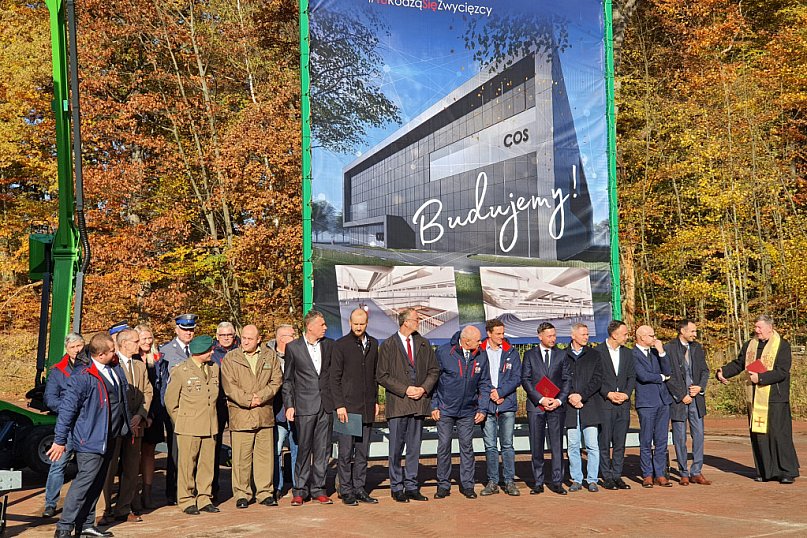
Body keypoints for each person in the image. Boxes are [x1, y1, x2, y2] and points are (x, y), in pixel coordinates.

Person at [48, 332, 131, 538]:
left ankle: (86, 524)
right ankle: (64, 528)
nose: (116, 353)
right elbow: (67, 410)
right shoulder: (83, 376)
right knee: (83, 483)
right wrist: (59, 440)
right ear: (101, 354)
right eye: (113, 350)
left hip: (110, 437)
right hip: (90, 439)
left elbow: (122, 401)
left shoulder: (114, 369)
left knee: (96, 483)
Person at [717, 315, 800, 484]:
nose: (756, 330)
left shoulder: (782, 346)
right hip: (755, 397)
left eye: (759, 327)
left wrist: (761, 378)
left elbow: (782, 371)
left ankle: (786, 471)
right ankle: (765, 471)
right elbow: (740, 363)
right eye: (755, 327)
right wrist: (723, 372)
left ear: (770, 328)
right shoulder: (750, 345)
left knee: (778, 434)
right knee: (759, 434)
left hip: (775, 397)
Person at [376, 309, 439, 503]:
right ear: (405, 322)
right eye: (416, 319)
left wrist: (423, 389)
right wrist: (405, 389)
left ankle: (411, 485)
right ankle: (396, 487)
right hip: (399, 404)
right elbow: (382, 375)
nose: (419, 322)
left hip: (419, 403)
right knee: (396, 448)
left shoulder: (423, 343)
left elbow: (434, 370)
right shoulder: (388, 345)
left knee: (413, 448)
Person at [220, 325, 283, 509]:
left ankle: (265, 492)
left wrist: (261, 397)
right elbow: (229, 386)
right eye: (243, 338)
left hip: (264, 415)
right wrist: (249, 400)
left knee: (265, 457)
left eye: (249, 338)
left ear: (259, 339)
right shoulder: (231, 358)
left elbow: (276, 380)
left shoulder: (269, 356)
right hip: (241, 415)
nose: (245, 341)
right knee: (241, 458)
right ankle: (242, 494)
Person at [164, 335, 221, 515]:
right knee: (187, 465)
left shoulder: (214, 368)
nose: (213, 352)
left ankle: (204, 497)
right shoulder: (181, 370)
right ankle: (186, 499)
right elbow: (170, 401)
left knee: (207, 464)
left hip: (210, 424)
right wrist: (181, 421)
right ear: (199, 352)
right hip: (189, 425)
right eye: (209, 350)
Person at [100, 329, 153, 523]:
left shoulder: (139, 366)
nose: (139, 344)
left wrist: (141, 415)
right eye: (135, 341)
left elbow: (148, 391)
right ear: (123, 343)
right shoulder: (111, 365)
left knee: (131, 469)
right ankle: (103, 510)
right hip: (115, 426)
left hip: (135, 426)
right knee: (108, 469)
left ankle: (123, 509)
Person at [282, 310, 334, 506]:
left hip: (325, 406)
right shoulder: (293, 348)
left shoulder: (329, 345)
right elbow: (288, 380)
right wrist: (289, 405)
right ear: (310, 326)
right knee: (303, 449)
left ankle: (319, 489)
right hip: (304, 406)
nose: (325, 327)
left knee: (323, 450)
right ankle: (300, 490)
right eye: (322, 324)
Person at [432, 326, 490, 500]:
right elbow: (433, 381)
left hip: (468, 410)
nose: (481, 343)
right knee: (444, 446)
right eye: (478, 340)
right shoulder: (443, 353)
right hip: (445, 409)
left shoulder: (481, 355)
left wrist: (482, 408)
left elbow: (485, 384)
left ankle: (467, 485)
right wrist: (434, 405)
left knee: (467, 447)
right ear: (466, 341)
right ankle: (443, 485)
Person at [330, 308, 380, 506]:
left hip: (367, 406)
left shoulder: (373, 343)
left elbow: (375, 375)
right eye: (355, 324)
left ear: (367, 323)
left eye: (362, 324)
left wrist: (375, 400)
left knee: (362, 453)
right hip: (348, 408)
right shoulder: (341, 345)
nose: (359, 327)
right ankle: (346, 489)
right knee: (345, 453)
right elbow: (334, 378)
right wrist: (339, 405)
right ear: (350, 323)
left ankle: (360, 488)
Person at [522, 322, 571, 495]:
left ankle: (557, 481)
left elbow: (567, 380)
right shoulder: (529, 355)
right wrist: (541, 399)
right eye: (549, 336)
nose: (553, 339)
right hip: (537, 406)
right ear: (540, 336)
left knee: (557, 445)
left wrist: (558, 401)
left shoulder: (562, 354)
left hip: (556, 406)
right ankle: (538, 481)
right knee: (537, 445)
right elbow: (525, 380)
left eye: (554, 335)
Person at [42, 333, 85, 519]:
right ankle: (50, 503)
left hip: (86, 424)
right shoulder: (58, 371)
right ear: (67, 349)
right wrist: (68, 407)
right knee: (58, 465)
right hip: (66, 425)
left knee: (86, 466)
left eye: (80, 346)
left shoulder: (91, 367)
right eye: (73, 347)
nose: (77, 350)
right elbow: (50, 398)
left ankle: (82, 502)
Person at [156, 313, 198, 505]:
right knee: (176, 451)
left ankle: (193, 487)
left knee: (195, 450)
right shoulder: (165, 351)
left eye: (191, 329)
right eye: (184, 329)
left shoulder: (198, 350)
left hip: (196, 409)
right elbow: (162, 382)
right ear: (176, 330)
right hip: (176, 409)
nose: (188, 333)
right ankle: (173, 491)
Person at [479, 319, 522, 497]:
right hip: (487, 403)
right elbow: (477, 376)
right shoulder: (479, 351)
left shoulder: (511, 352)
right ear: (489, 333)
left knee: (507, 444)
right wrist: (491, 393)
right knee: (490, 446)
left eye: (503, 333)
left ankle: (509, 481)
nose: (501, 337)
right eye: (498, 333)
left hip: (507, 403)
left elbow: (516, 377)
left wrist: (502, 392)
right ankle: (492, 481)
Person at [665, 319, 711, 486]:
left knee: (698, 435)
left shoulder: (697, 348)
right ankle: (683, 472)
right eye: (692, 331)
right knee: (679, 437)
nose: (695, 334)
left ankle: (696, 471)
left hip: (696, 400)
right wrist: (680, 394)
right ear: (682, 331)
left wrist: (699, 387)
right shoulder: (669, 348)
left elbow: (705, 371)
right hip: (679, 401)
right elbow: (667, 375)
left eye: (695, 331)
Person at [597, 319, 635, 491]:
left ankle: (617, 475)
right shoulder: (597, 352)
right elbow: (596, 378)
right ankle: (606, 476)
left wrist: (626, 394)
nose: (627, 337)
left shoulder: (628, 353)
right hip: (605, 404)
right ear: (614, 334)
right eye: (625, 334)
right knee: (604, 442)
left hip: (623, 405)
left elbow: (631, 376)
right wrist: (608, 393)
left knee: (620, 443)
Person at [565, 323, 603, 493]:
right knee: (573, 445)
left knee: (592, 445)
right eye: (583, 334)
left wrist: (582, 396)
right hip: (570, 407)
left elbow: (597, 379)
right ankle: (576, 479)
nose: (586, 337)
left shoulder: (594, 355)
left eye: (587, 334)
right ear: (573, 336)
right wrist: (571, 396)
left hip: (589, 406)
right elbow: (560, 380)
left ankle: (592, 479)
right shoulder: (562, 355)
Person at [633, 325, 673, 488]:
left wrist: (662, 352)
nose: (654, 338)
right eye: (651, 335)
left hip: (663, 401)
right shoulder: (632, 354)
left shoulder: (656, 352)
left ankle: (660, 473)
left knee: (661, 440)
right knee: (646, 439)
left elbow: (669, 370)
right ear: (642, 337)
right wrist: (662, 377)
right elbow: (643, 376)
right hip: (647, 402)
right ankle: (647, 474)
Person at [268, 324, 298, 498]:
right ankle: (276, 487)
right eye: (291, 335)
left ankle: (298, 486)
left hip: (298, 411)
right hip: (278, 412)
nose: (295, 338)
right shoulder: (267, 355)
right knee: (276, 450)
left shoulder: (299, 352)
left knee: (298, 449)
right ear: (281, 338)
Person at [134, 324, 162, 509]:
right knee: (134, 454)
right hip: (136, 412)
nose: (147, 341)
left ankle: (148, 492)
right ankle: (133, 493)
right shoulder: (131, 359)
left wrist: (151, 414)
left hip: (154, 410)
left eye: (149, 338)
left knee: (149, 452)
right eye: (143, 339)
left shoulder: (157, 359)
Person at [211, 321, 240, 499]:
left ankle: (242, 486)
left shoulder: (242, 350)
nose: (226, 338)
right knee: (214, 445)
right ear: (217, 336)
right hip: (218, 404)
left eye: (229, 334)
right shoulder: (212, 353)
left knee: (241, 446)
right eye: (223, 335)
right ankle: (213, 486)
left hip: (238, 404)